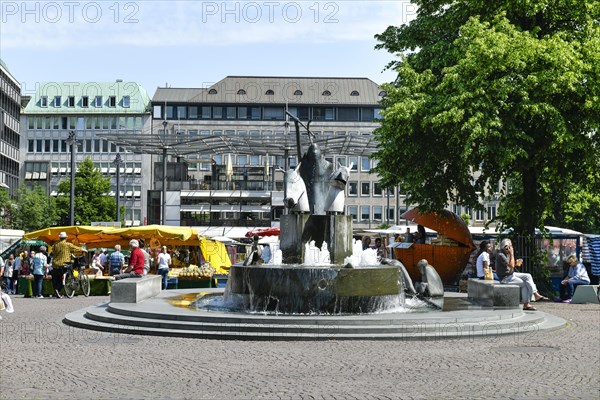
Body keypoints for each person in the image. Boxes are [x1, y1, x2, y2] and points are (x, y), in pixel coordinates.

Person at [496, 238, 548, 310]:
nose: (511, 247)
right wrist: (512, 253)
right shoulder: (501, 255)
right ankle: (526, 304)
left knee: (528, 276)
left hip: (511, 274)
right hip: (505, 278)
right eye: (510, 246)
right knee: (524, 283)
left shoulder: (506, 253)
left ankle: (535, 294)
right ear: (506, 246)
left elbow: (511, 265)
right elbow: (511, 265)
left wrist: (516, 263)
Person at [51, 232, 87, 298]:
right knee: (68, 275)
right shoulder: (68, 244)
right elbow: (76, 248)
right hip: (65, 263)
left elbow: (53, 252)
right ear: (66, 238)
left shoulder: (55, 245)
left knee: (56, 278)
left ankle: (57, 290)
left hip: (55, 264)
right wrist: (83, 250)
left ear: (59, 237)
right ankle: (66, 285)